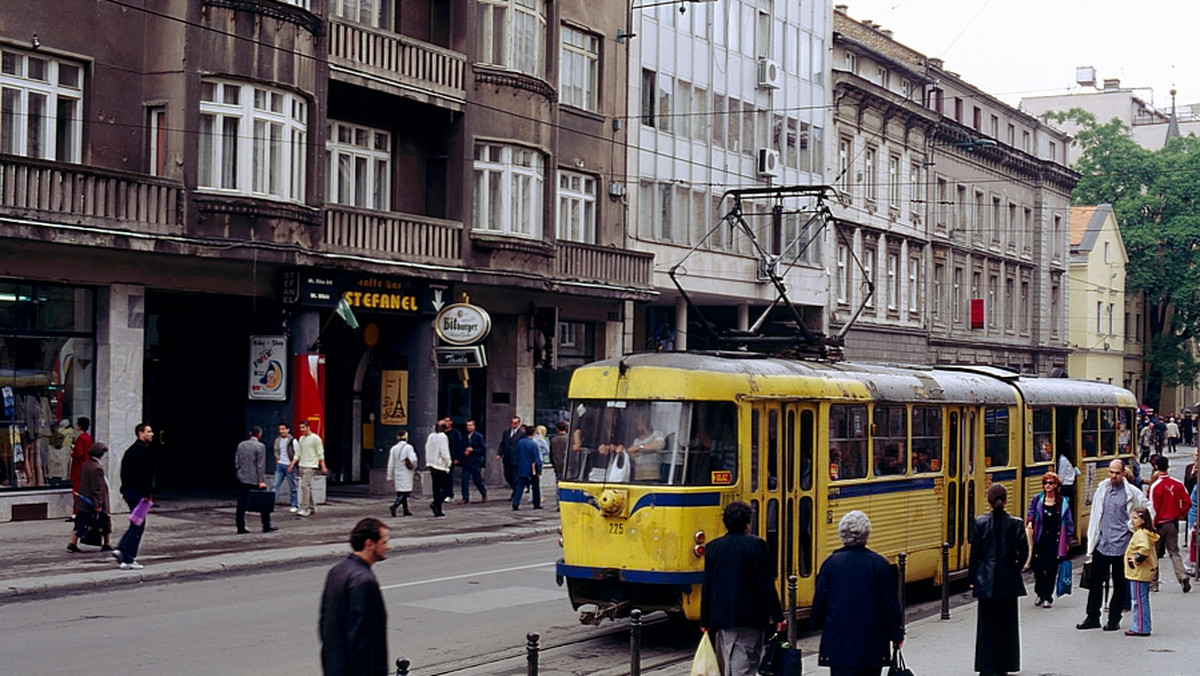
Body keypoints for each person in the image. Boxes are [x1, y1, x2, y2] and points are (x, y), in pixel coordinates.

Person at [812, 510, 904, 676]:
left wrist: (816, 623)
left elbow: (820, 601)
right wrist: (896, 635)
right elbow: (891, 603)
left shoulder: (831, 564)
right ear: (866, 534)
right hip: (871, 642)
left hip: (839, 641)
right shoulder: (879, 564)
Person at [701, 501, 785, 676]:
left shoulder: (712, 547)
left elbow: (708, 585)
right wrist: (778, 616)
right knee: (745, 665)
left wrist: (705, 620)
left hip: (722, 617)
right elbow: (765, 584)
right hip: (750, 617)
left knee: (728, 663)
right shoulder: (757, 545)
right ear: (748, 524)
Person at [1077, 459, 1151, 632]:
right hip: (1102, 543)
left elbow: (1148, 509)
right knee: (1095, 582)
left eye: (1117, 473)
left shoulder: (1131, 492)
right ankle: (1093, 616)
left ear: (1124, 473)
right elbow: (1097, 515)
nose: (1114, 476)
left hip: (1122, 546)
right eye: (1111, 472)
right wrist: (1092, 543)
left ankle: (1114, 619)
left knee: (1119, 584)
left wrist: (1132, 526)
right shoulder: (1102, 489)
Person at [319, 517, 390, 676]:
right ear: (369, 544)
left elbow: (325, 622)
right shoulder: (364, 581)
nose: (388, 547)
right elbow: (361, 637)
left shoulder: (338, 571)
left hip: (334, 665)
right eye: (384, 542)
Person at [970, 483, 1027, 676]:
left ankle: (987, 665)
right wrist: (1014, 567)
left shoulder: (980, 522)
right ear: (1006, 500)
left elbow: (975, 554)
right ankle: (1006, 663)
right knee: (1008, 624)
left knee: (986, 625)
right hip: (1009, 580)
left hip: (986, 580)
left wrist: (973, 578)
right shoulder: (1016, 523)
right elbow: (1024, 552)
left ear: (989, 501)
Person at [1025, 471, 1074, 608]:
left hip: (1056, 540)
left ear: (1056, 485)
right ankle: (1039, 593)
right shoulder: (1038, 499)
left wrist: (1068, 540)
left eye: (1050, 483)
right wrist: (1030, 522)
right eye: (1045, 483)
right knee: (1038, 568)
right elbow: (1031, 512)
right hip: (1040, 538)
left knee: (1051, 568)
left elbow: (1068, 521)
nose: (1047, 485)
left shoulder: (1062, 502)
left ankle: (1047, 597)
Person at [1147, 456, 1192, 592]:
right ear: (1168, 466)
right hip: (1173, 522)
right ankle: (1182, 574)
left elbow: (1152, 507)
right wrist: (1181, 514)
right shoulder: (1177, 484)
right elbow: (1187, 501)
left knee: (1154, 553)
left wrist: (1152, 524)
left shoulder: (1155, 486)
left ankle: (1153, 583)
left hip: (1159, 523)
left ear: (1156, 467)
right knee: (1174, 551)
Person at [114, 423, 155, 570]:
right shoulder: (141, 451)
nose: (152, 434)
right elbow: (145, 475)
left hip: (131, 491)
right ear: (140, 433)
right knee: (138, 525)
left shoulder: (131, 451)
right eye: (148, 431)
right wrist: (147, 494)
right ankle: (128, 559)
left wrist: (124, 490)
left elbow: (125, 473)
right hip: (138, 493)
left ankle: (121, 549)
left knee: (135, 523)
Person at [67, 442, 111, 553]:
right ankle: (106, 543)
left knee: (80, 521)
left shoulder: (86, 464)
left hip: (84, 499)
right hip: (93, 500)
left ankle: (73, 542)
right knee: (104, 520)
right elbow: (98, 488)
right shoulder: (97, 468)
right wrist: (98, 503)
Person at [1124, 505, 1159, 637]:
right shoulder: (1145, 533)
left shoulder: (1140, 534)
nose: (1132, 521)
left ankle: (1140, 626)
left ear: (1143, 520)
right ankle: (1143, 625)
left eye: (1135, 518)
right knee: (1141, 599)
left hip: (1139, 572)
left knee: (1138, 600)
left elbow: (1144, 549)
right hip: (1142, 571)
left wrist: (1135, 560)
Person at [235, 426, 275, 534]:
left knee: (241, 504)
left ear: (250, 433)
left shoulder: (241, 445)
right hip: (255, 478)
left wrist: (239, 473)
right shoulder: (260, 446)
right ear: (259, 434)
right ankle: (266, 525)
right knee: (263, 502)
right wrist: (261, 480)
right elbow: (260, 465)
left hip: (243, 478)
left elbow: (237, 460)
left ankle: (240, 526)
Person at [288, 420, 327, 517]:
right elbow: (298, 453)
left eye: (303, 428)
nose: (302, 430)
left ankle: (305, 508)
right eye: (300, 428)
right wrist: (292, 464)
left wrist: (323, 465)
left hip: (311, 465)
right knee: (307, 487)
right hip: (302, 464)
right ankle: (312, 507)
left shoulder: (315, 439)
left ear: (308, 427)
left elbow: (320, 452)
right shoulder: (301, 438)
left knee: (304, 486)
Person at [385, 431, 416, 517]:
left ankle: (406, 510)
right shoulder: (409, 447)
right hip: (406, 472)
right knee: (405, 493)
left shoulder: (394, 448)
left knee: (400, 492)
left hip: (397, 472)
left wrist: (389, 475)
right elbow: (413, 459)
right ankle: (394, 506)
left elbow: (391, 463)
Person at [426, 420, 451, 517]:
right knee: (446, 489)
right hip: (441, 465)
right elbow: (444, 451)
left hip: (432, 464)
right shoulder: (443, 437)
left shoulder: (431, 436)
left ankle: (438, 510)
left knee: (436, 488)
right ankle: (436, 504)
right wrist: (448, 462)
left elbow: (427, 448)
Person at [511, 432, 543, 510]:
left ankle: (515, 503)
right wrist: (539, 469)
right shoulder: (533, 444)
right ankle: (536, 504)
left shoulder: (520, 442)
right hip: (532, 468)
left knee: (519, 486)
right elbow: (537, 458)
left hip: (521, 467)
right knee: (535, 487)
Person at [68, 416, 93, 513]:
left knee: (77, 490)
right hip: (85, 465)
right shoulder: (88, 438)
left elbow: (79, 453)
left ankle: (77, 512)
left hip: (79, 467)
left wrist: (72, 453)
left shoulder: (81, 439)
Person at [273, 423, 300, 514]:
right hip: (280, 465)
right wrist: (277, 460)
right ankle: (270, 504)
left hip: (289, 465)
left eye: (283, 429)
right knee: (275, 486)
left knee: (293, 487)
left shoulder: (293, 441)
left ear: (288, 430)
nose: (281, 431)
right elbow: (276, 451)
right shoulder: (278, 440)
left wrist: (292, 465)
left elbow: (297, 454)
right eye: (280, 429)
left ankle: (294, 505)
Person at [459, 419, 488, 503]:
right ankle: (465, 497)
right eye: (467, 425)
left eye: (470, 425)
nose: (469, 427)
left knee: (477, 479)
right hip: (466, 461)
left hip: (475, 461)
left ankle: (483, 492)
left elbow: (482, 449)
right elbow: (460, 448)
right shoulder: (464, 437)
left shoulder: (478, 436)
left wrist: (473, 450)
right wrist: (464, 453)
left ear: (474, 426)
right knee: (464, 479)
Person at [496, 416, 523, 490]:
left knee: (514, 476)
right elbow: (503, 444)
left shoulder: (522, 433)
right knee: (507, 475)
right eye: (512, 423)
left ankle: (516, 493)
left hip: (516, 459)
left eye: (515, 423)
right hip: (507, 458)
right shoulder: (506, 432)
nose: (513, 424)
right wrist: (499, 454)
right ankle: (515, 489)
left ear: (518, 424)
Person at [443, 416, 462, 502]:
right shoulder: (441, 433)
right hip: (442, 458)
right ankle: (443, 493)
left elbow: (458, 445)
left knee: (449, 476)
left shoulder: (455, 433)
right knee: (442, 476)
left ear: (451, 422)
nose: (446, 423)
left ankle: (449, 494)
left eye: (447, 421)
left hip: (451, 456)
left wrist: (458, 457)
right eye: (445, 421)